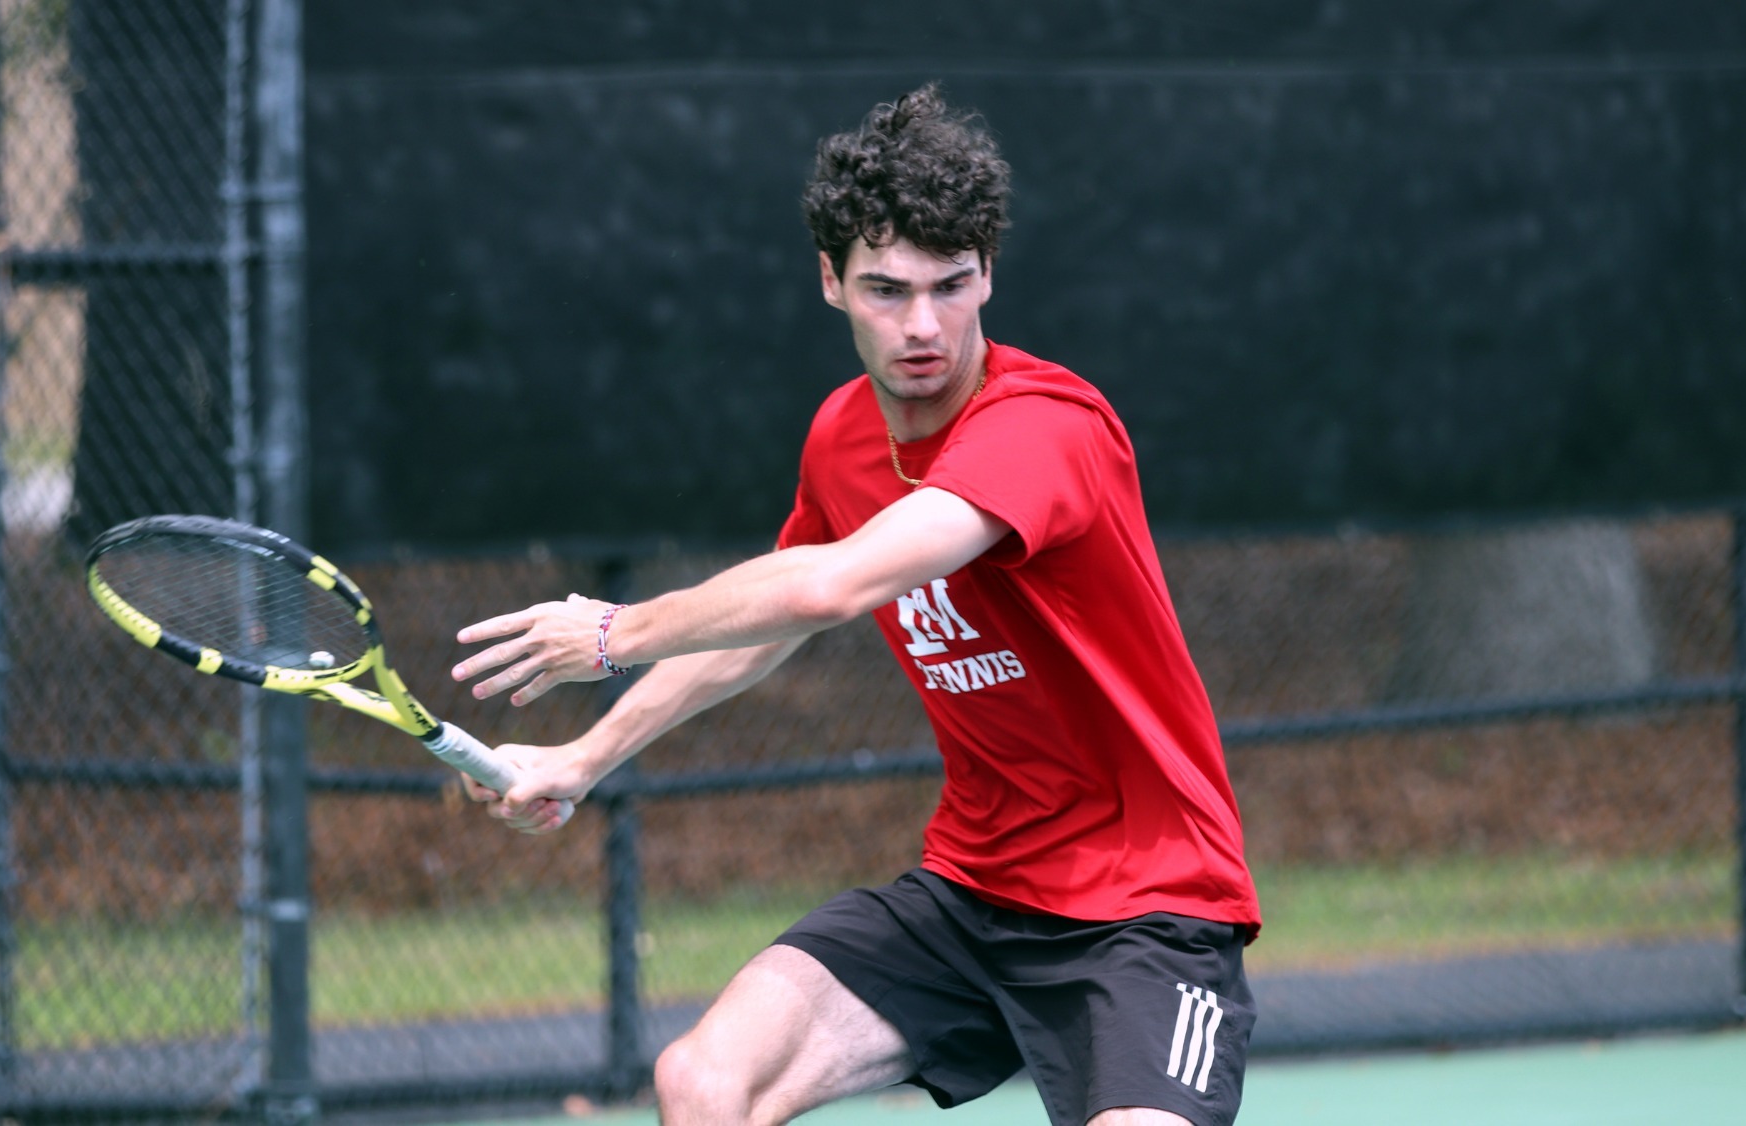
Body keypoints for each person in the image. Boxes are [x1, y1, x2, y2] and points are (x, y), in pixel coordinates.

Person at [449, 84, 1261, 1126]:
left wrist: (613, 632)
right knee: (704, 1081)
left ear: (987, 274)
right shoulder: (842, 437)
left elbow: (833, 584)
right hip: (973, 893)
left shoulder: (1046, 426)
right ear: (830, 281)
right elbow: (770, 624)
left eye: (950, 285)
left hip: (1151, 905)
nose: (922, 325)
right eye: (886, 289)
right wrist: (583, 756)